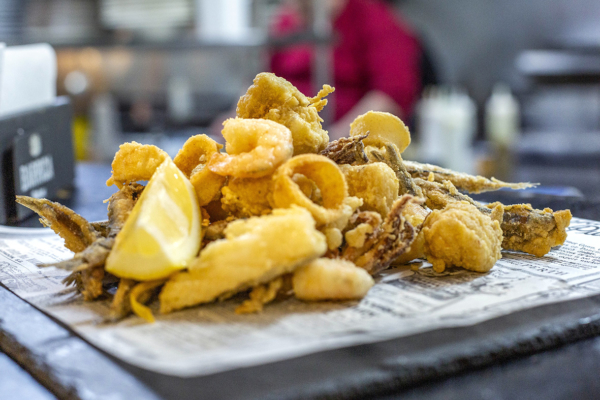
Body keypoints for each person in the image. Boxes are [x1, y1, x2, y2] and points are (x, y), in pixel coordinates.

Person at [270, 0, 422, 140]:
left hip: (347, 144)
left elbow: (391, 97)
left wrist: (331, 142)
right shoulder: (287, 24)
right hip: (286, 138)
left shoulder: (376, 21)